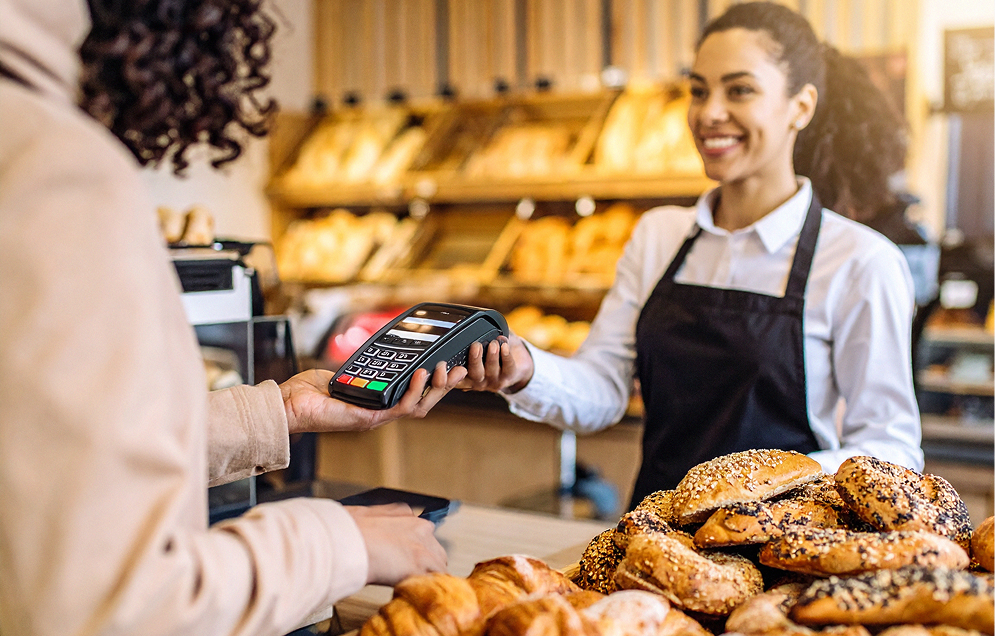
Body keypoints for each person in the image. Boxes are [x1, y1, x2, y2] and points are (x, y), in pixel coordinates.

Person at [0, 1, 466, 635]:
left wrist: (277, 413)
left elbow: (34, 455)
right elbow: (109, 606)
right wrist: (336, 543)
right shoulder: (51, 170)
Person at [459, 1, 923, 508]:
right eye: (698, 90)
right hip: (656, 544)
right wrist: (526, 370)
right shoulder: (659, 235)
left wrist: (770, 477)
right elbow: (605, 390)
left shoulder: (859, 261)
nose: (708, 113)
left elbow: (891, 450)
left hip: (782, 553)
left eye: (739, 90)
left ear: (801, 106)